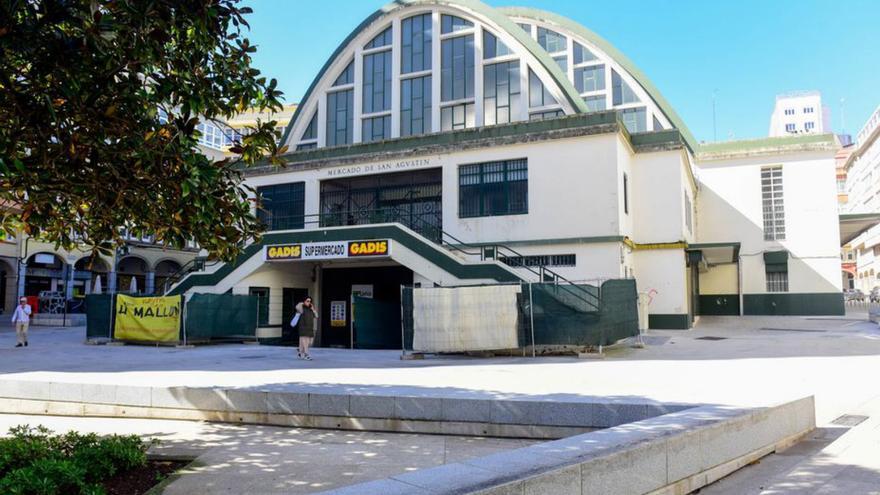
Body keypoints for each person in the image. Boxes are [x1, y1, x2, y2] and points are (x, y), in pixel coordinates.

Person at [291, 296, 318, 360]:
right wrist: (302, 303)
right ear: (304, 301)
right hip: (303, 328)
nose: (309, 302)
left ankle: (300, 351)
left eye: (310, 301)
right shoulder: (301, 308)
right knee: (305, 342)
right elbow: (297, 306)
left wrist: (313, 309)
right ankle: (306, 355)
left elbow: (316, 316)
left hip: (310, 328)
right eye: (307, 301)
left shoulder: (311, 309)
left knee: (310, 342)